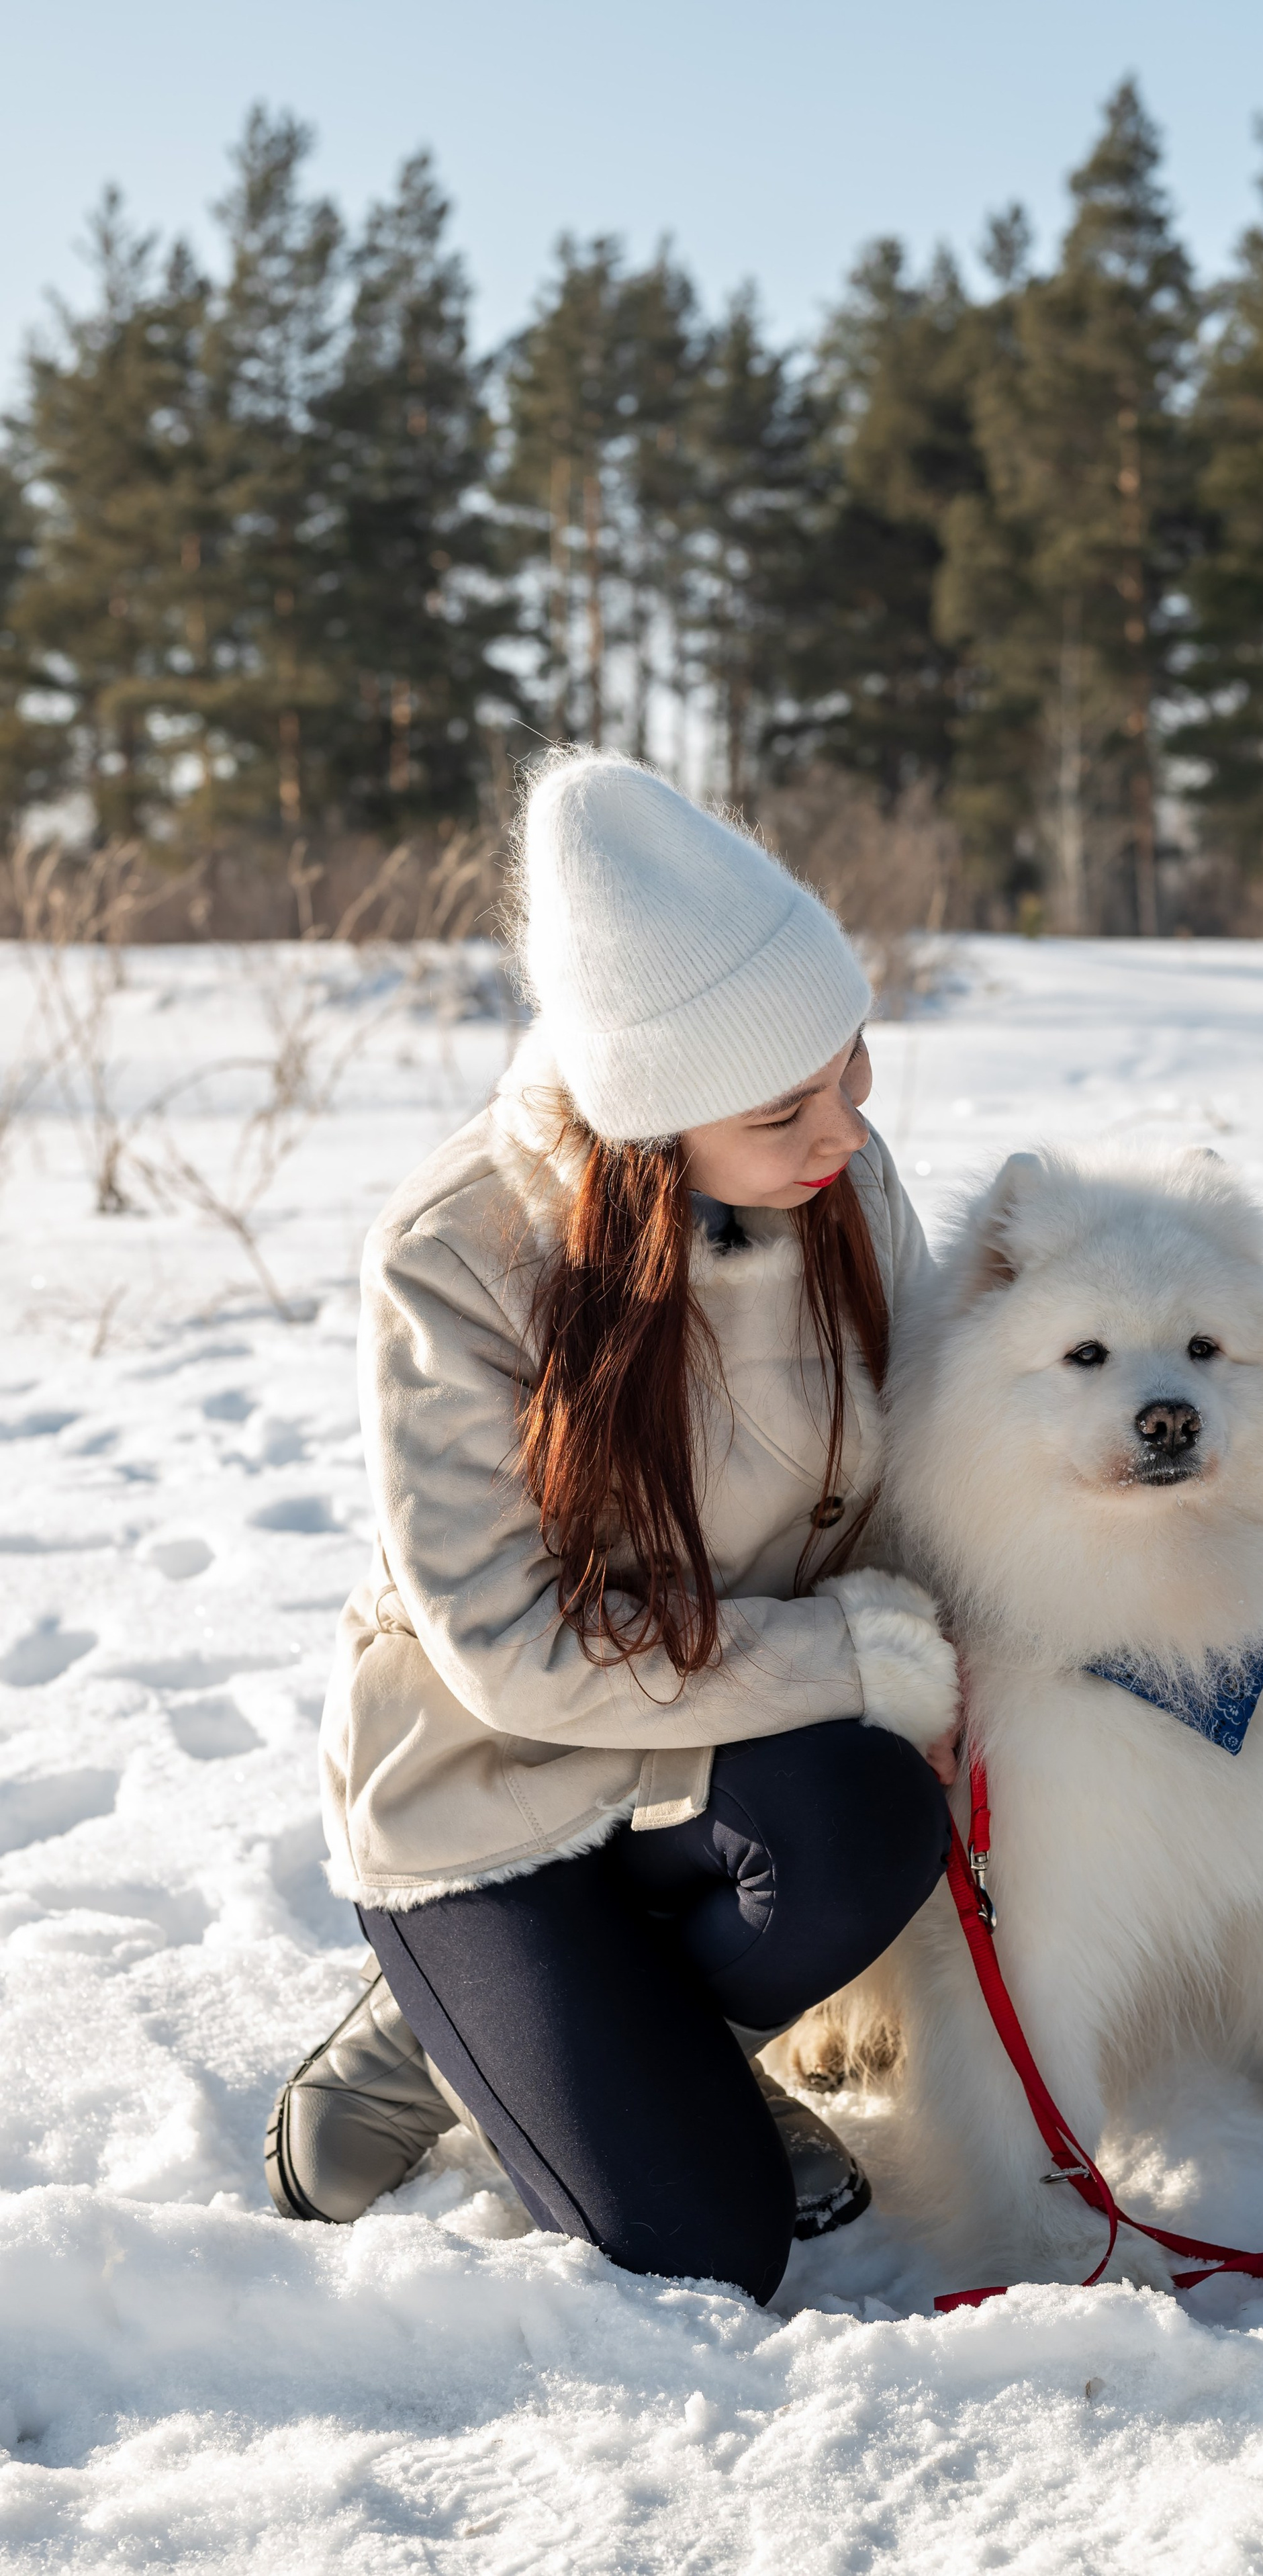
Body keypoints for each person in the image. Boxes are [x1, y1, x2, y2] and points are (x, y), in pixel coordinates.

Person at [265, 752, 959, 2303]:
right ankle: (432, 2021)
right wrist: (846, 1649)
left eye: (855, 1066)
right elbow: (511, 1653)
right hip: (485, 1783)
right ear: (650, 1123)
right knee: (706, 2249)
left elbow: (914, 1469)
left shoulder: (838, 1178)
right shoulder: (453, 1254)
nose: (844, 1125)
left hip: (709, 1759)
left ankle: (607, 2031)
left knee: (865, 1813)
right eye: (785, 1104)